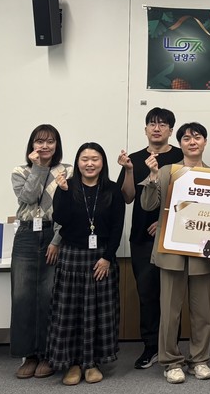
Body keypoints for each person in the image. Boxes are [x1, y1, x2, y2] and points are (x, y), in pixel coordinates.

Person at [140, 122, 210, 384]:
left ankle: (199, 359)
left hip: (203, 253)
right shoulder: (167, 171)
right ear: (180, 144)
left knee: (202, 312)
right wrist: (152, 177)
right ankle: (171, 362)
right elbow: (148, 205)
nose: (192, 142)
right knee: (169, 312)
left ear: (205, 142)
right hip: (172, 252)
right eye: (186, 138)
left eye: (197, 137)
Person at [47, 143, 124, 385]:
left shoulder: (112, 189)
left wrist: (107, 257)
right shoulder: (67, 187)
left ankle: (92, 363)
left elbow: (117, 227)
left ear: (103, 162)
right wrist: (62, 191)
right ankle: (72, 363)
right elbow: (60, 218)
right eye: (84, 159)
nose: (89, 163)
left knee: (98, 313)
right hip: (72, 255)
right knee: (69, 313)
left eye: (95, 159)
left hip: (101, 257)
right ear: (78, 162)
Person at [116, 107, 183, 370]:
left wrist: (165, 222)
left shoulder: (180, 157)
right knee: (147, 293)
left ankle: (171, 348)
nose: (157, 128)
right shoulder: (133, 159)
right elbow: (127, 197)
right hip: (141, 237)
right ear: (145, 129)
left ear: (171, 130)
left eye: (163, 124)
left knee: (172, 295)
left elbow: (190, 197)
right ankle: (151, 347)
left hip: (173, 236)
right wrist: (129, 171)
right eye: (152, 124)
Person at [10, 125, 72, 379]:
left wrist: (57, 240)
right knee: (22, 295)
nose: (45, 146)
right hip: (26, 235)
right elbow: (28, 197)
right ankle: (29, 355)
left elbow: (68, 207)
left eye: (50, 141)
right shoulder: (20, 171)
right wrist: (38, 168)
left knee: (49, 294)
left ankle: (48, 354)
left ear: (57, 145)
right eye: (39, 141)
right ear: (32, 145)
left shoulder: (67, 171)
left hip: (53, 234)